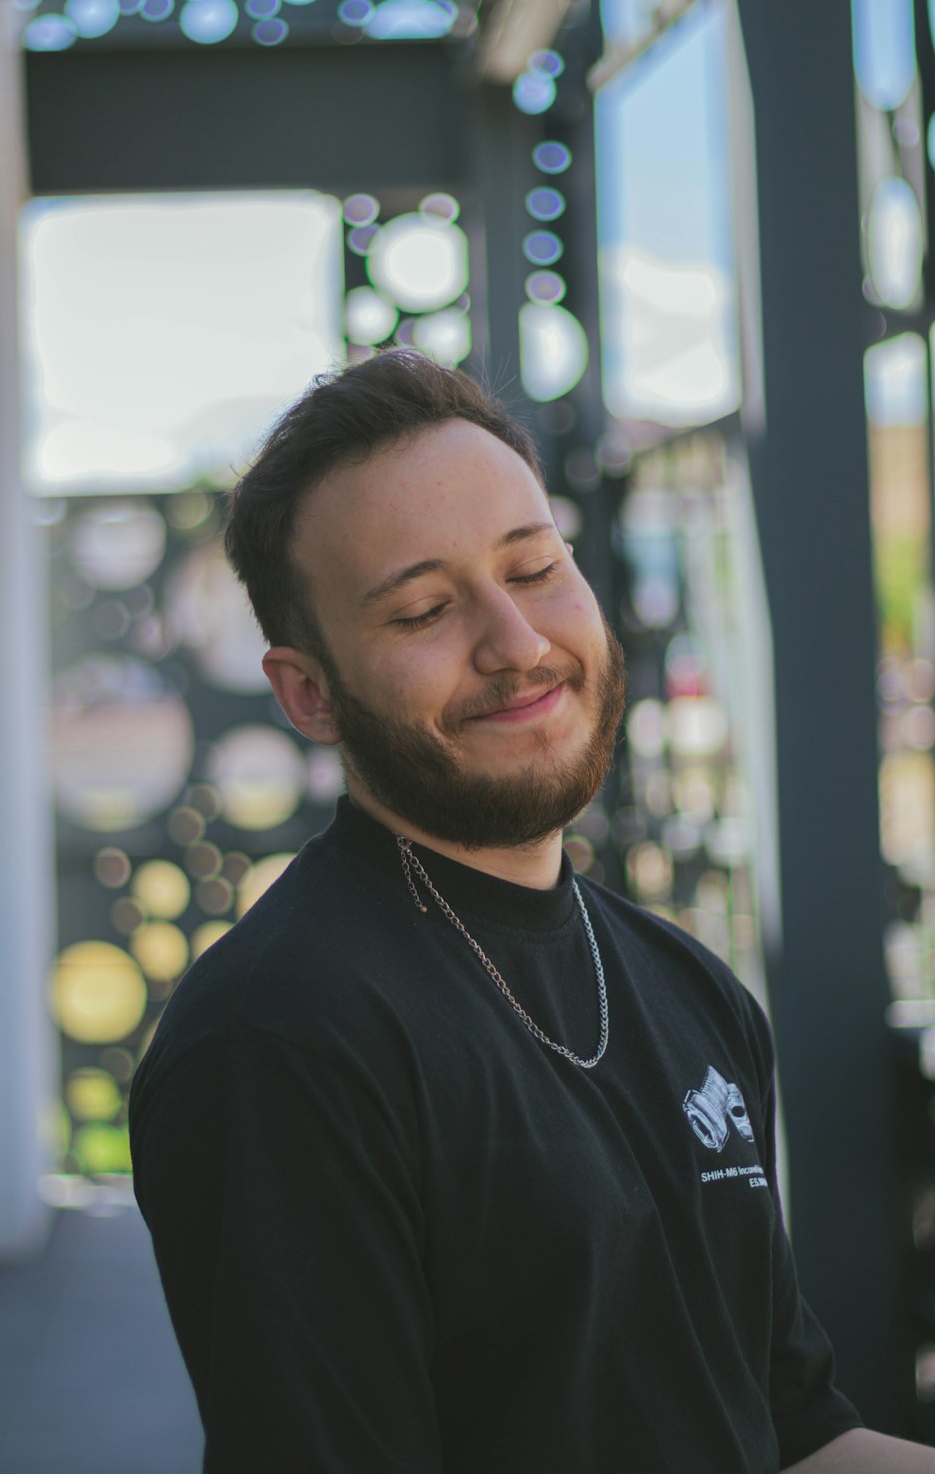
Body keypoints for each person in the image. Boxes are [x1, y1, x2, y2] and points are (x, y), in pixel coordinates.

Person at [130, 350, 933, 1472]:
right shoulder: (281, 1040)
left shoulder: (686, 985)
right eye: (422, 609)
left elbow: (792, 1435)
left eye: (536, 566)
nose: (516, 644)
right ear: (308, 692)